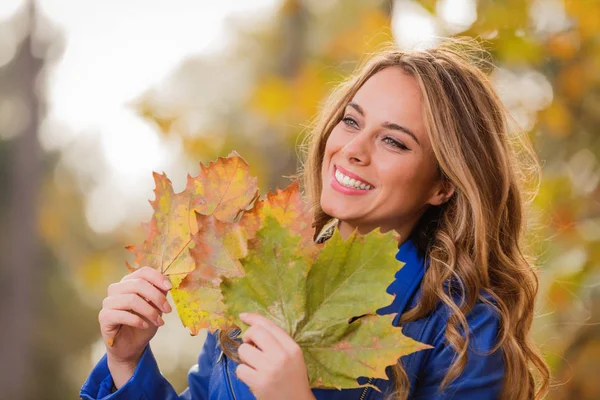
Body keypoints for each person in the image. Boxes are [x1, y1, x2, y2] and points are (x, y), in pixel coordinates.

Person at [80, 38, 550, 400]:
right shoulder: (255, 266)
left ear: (443, 185)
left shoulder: (465, 330)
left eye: (394, 141)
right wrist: (127, 363)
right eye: (351, 121)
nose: (353, 150)